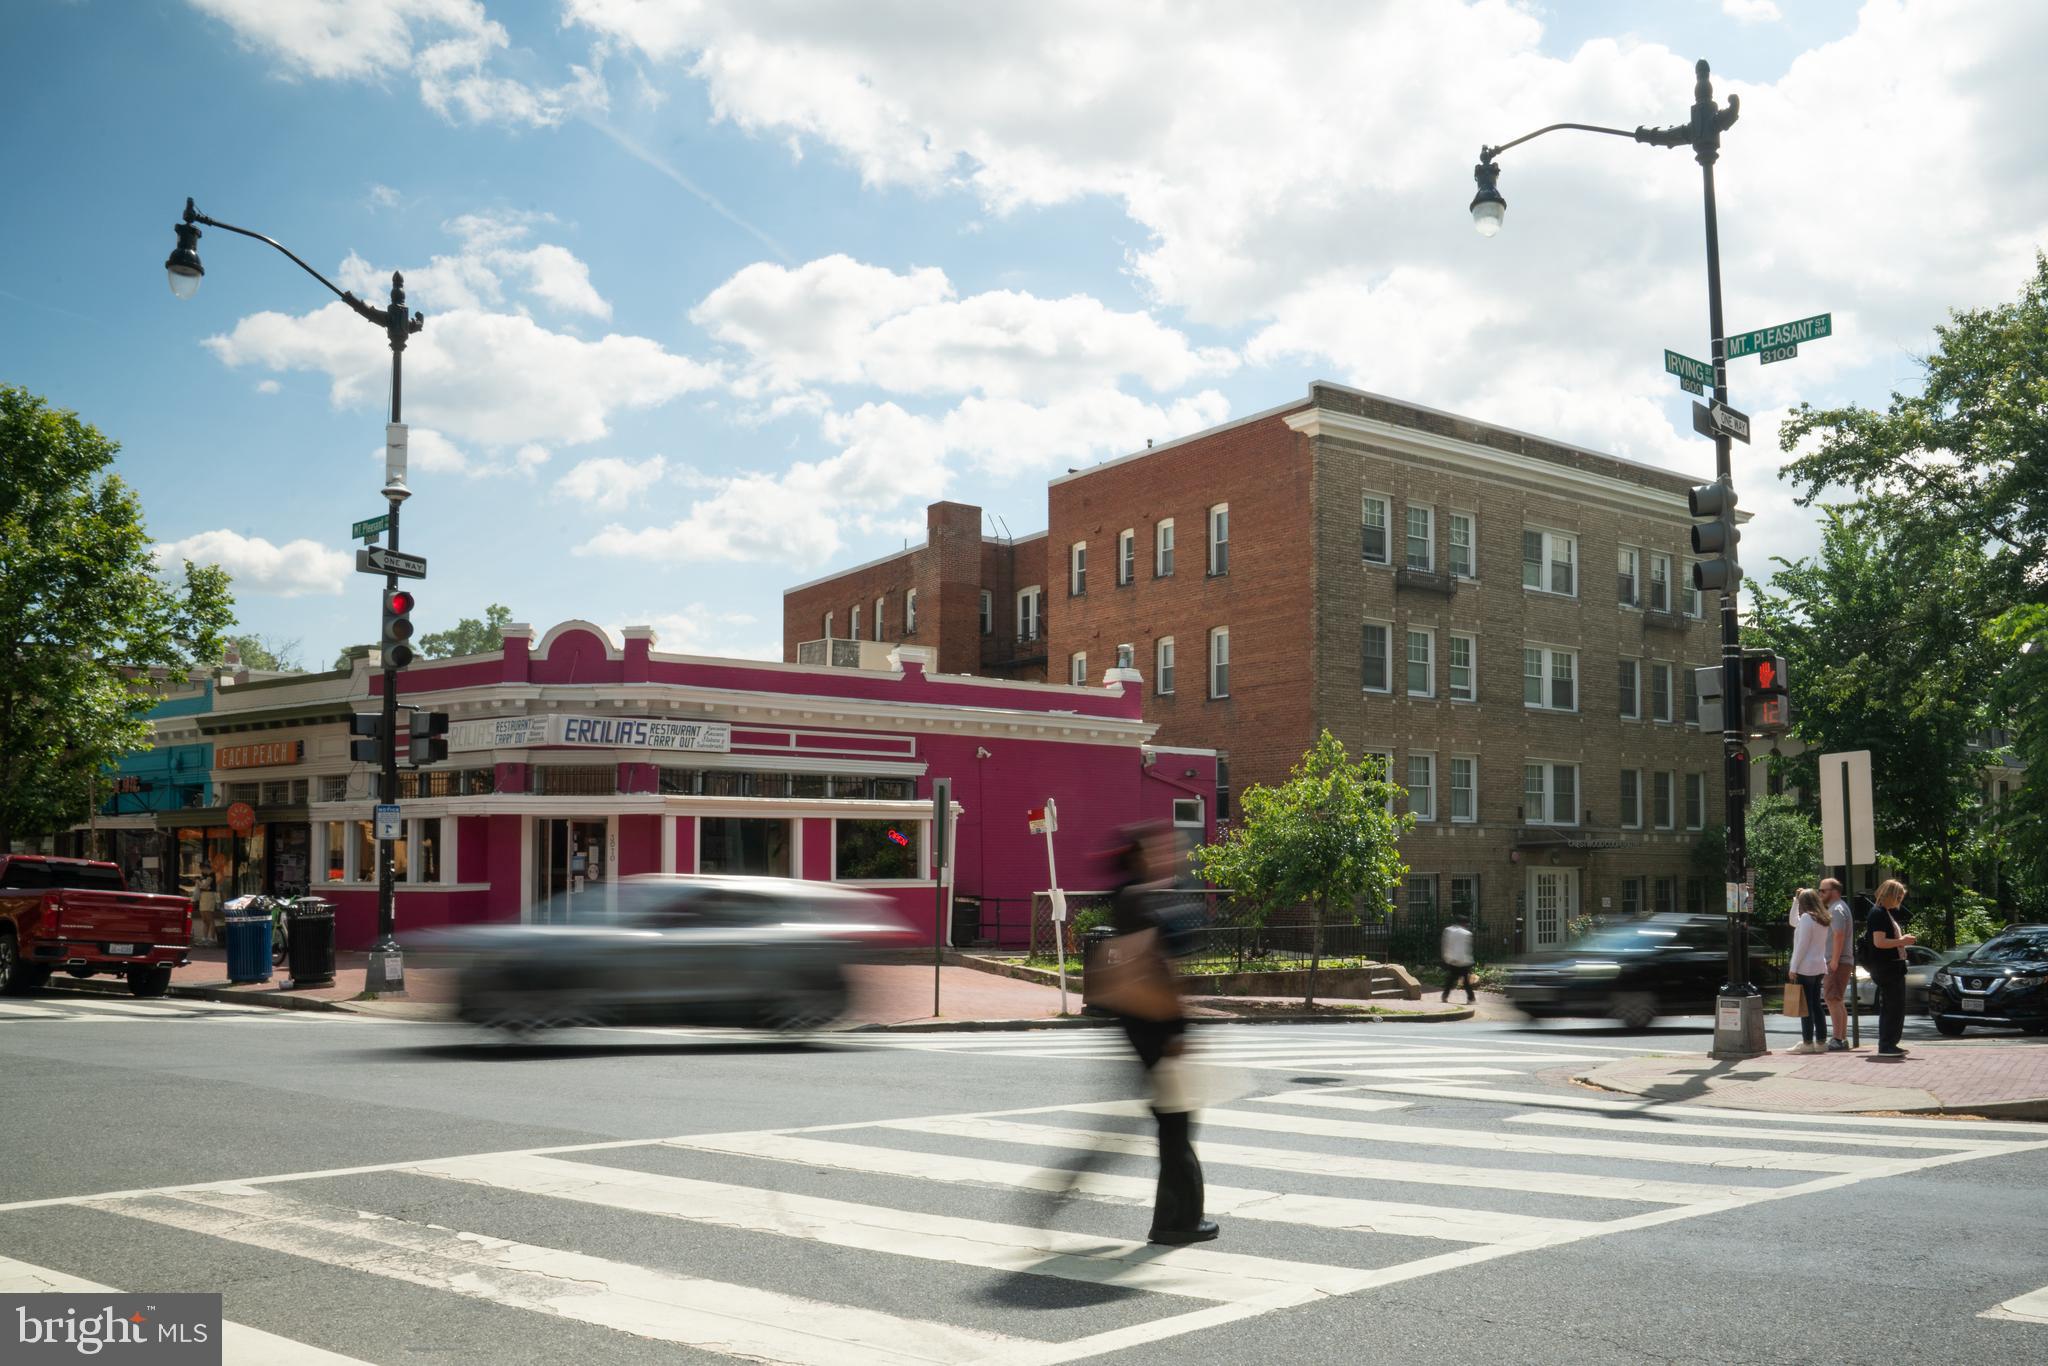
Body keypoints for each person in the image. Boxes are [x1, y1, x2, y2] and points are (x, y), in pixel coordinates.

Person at [1097, 822, 1216, 1246]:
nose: (1169, 855)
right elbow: (1157, 968)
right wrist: (1177, 1030)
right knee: (1176, 1123)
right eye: (1159, 850)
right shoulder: (1137, 900)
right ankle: (1176, 1221)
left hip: (1145, 1028)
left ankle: (1176, 1218)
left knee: (1174, 1122)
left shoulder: (1133, 897)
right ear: (1140, 857)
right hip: (1155, 1030)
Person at [1864, 879, 1916, 1057]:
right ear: (1889, 895)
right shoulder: (1878, 913)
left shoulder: (1883, 912)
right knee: (1892, 1006)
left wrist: (1901, 942)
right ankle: (1886, 1045)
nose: (1900, 899)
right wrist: (1902, 941)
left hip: (1891, 967)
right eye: (1898, 896)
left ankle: (1890, 1043)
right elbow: (1879, 942)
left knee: (1895, 1006)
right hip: (1887, 968)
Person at [1787, 888, 1831, 1053]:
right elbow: (1793, 921)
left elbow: (1802, 946)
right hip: (1819, 966)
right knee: (1816, 1005)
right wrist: (1795, 901)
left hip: (1805, 967)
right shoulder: (1822, 918)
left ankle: (1807, 1042)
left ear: (1805, 904)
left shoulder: (1806, 918)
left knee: (1806, 1007)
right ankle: (1821, 1042)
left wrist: (1793, 967)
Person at [1818, 878, 1855, 1050]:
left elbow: (1839, 935)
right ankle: (1841, 1038)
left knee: (1832, 998)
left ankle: (1838, 1039)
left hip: (1838, 961)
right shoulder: (1837, 908)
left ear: (1834, 891)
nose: (1820, 894)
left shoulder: (1837, 909)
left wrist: (1833, 960)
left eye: (1822, 890)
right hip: (1840, 960)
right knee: (1836, 999)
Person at [1440, 914, 1476, 1004]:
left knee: (1451, 979)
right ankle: (1471, 998)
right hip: (1463, 960)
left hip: (1452, 959)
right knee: (1466, 982)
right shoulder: (1467, 934)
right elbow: (1467, 949)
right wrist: (1470, 961)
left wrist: (1446, 956)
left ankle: (1445, 995)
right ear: (1464, 923)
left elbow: (1446, 945)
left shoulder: (1448, 930)